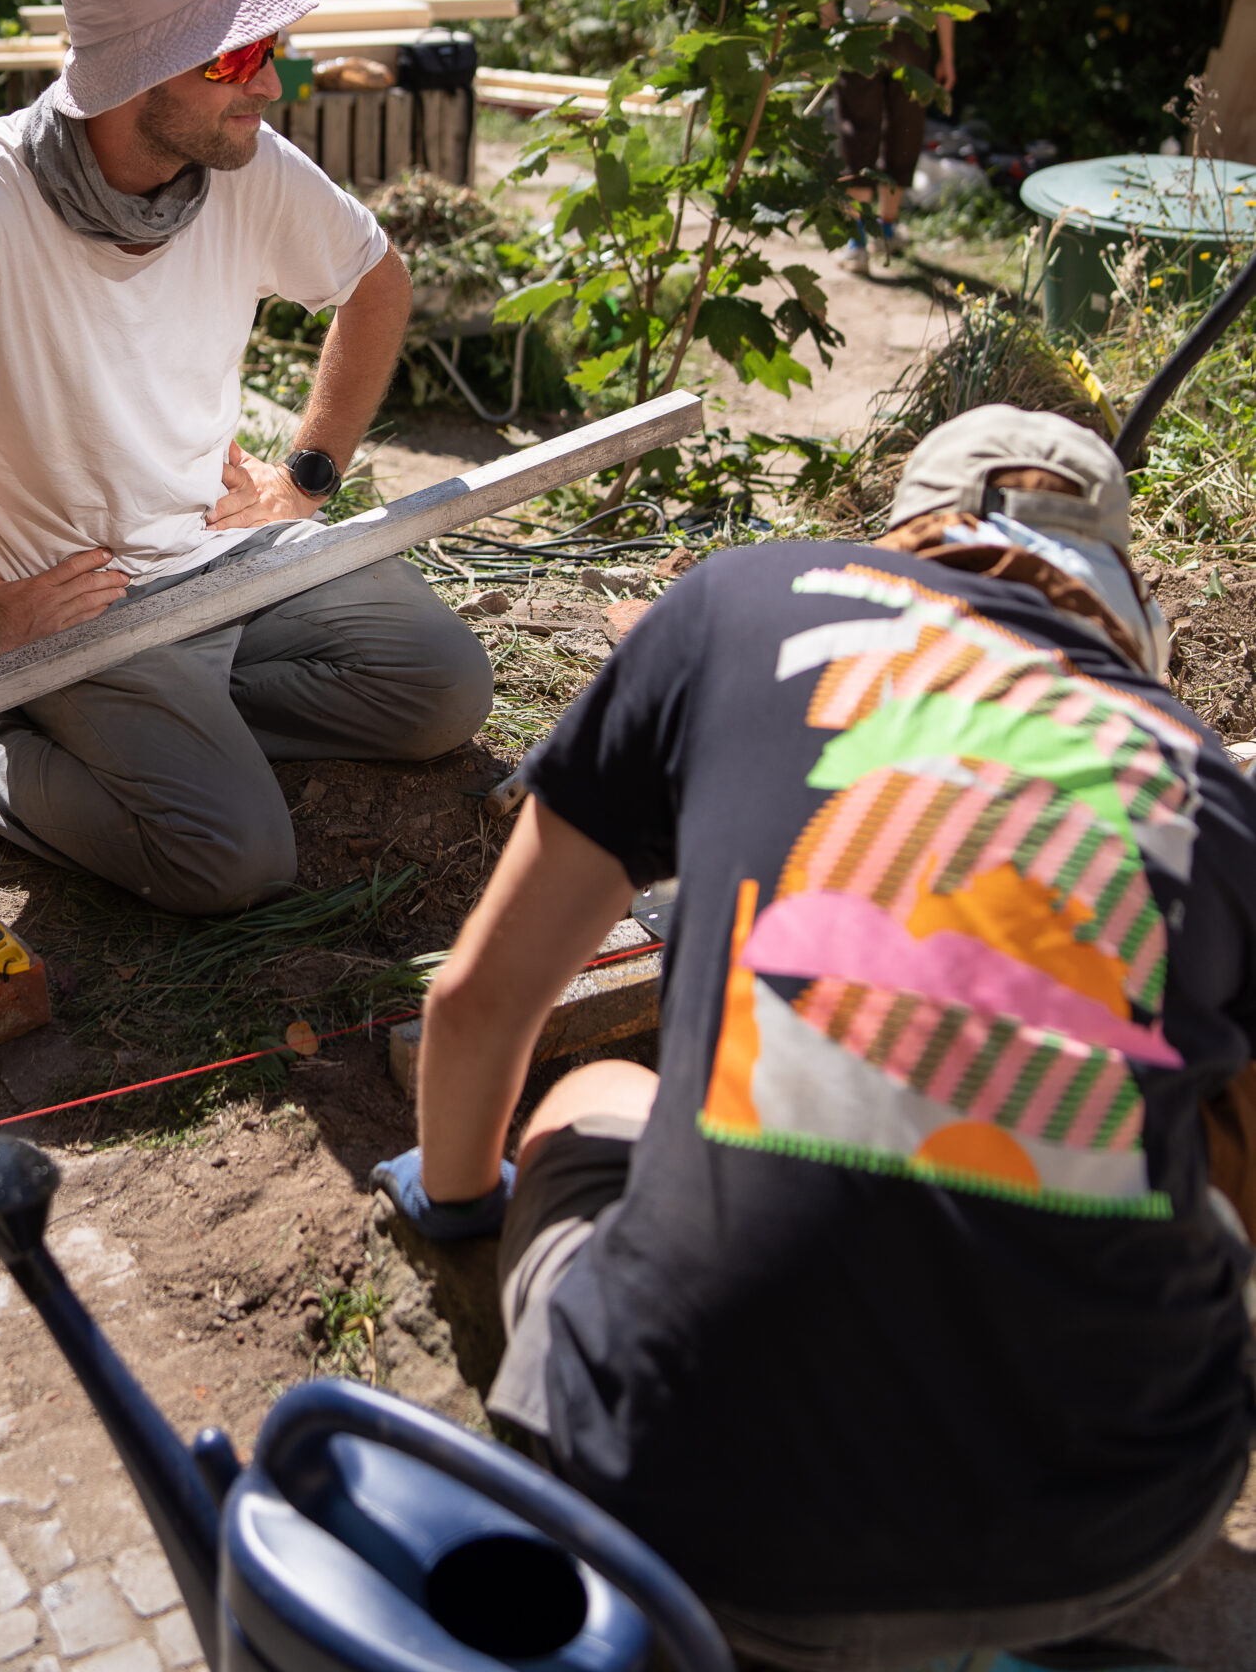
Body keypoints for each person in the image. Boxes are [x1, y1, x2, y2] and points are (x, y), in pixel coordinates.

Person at [376, 407, 1256, 1669]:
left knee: (599, 1090)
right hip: (1108, 1536)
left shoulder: (743, 603)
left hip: (680, 1501)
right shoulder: (1206, 784)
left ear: (907, 539)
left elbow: (475, 1000)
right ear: (1119, 612)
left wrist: (460, 1203)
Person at [0, 0, 492, 914]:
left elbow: (376, 282)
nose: (269, 83)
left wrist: (307, 474)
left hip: (226, 557)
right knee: (229, 860)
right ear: (139, 71)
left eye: (269, 50)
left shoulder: (242, 165)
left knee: (441, 690)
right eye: (237, 57)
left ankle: (154, 723)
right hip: (87, 601)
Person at [829, 0, 964, 274]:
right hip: (910, 34)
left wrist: (831, 23)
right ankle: (886, 229)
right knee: (905, 128)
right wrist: (947, 54)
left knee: (858, 128)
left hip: (859, 32)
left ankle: (857, 242)